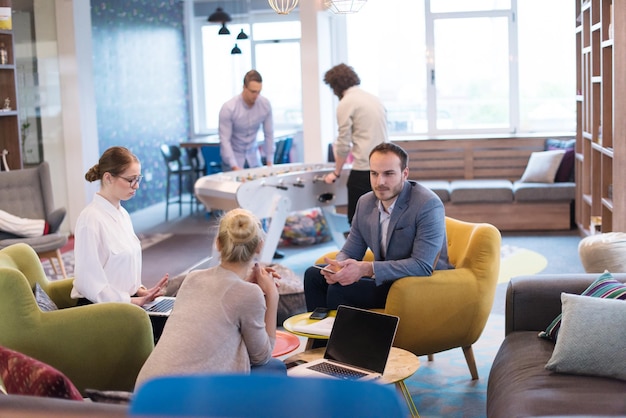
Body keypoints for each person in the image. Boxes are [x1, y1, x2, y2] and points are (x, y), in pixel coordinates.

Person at [135, 208, 285, 389]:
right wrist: (272, 295)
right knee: (275, 367)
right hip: (188, 400)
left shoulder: (193, 278)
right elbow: (262, 356)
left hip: (146, 390)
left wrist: (243, 282)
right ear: (260, 245)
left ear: (218, 243)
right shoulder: (248, 294)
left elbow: (222, 299)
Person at [304, 142, 452, 311]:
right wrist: (339, 266)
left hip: (417, 283)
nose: (380, 182)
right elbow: (351, 251)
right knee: (313, 276)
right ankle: (322, 338)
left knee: (341, 290)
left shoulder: (427, 204)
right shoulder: (365, 202)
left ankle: (345, 338)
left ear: (405, 173)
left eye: (388, 174)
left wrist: (367, 268)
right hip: (385, 278)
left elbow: (422, 265)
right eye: (374, 173)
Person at [70, 146, 168, 307]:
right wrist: (130, 300)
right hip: (99, 309)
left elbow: (120, 269)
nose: (136, 186)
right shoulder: (90, 220)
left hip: (125, 302)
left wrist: (140, 290)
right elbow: (88, 282)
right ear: (108, 178)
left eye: (138, 178)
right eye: (131, 180)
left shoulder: (122, 214)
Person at [323, 63, 389, 225]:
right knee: (382, 220)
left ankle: (359, 251)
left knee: (356, 222)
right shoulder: (373, 99)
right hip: (386, 167)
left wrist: (336, 172)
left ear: (335, 86)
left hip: (365, 170)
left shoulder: (346, 103)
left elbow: (343, 143)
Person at [219, 69, 274, 171]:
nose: (256, 96)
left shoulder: (265, 105)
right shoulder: (229, 108)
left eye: (259, 92)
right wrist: (234, 166)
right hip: (233, 160)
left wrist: (270, 163)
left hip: (254, 159)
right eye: (253, 92)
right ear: (244, 87)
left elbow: (269, 134)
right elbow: (225, 140)